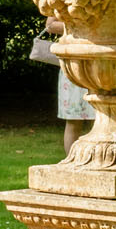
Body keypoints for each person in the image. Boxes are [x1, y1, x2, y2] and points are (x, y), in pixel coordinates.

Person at [43, 16, 93, 151]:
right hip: (74, 63)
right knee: (73, 121)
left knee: (102, 120)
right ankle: (71, 163)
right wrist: (80, 26)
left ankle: (98, 163)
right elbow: (50, 25)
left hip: (101, 62)